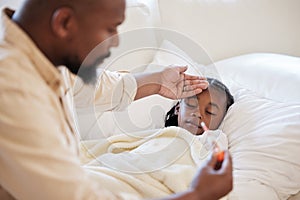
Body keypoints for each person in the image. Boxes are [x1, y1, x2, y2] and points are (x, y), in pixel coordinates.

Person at [0, 0, 232, 200]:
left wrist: (158, 81)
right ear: (64, 23)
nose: (115, 41)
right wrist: (197, 195)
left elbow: (97, 87)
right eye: (110, 29)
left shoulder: (42, 58)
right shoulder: (12, 89)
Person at [165, 77, 234, 135]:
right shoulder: (161, 135)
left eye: (210, 111)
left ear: (222, 120)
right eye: (191, 104)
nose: (198, 113)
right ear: (178, 108)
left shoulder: (217, 145)